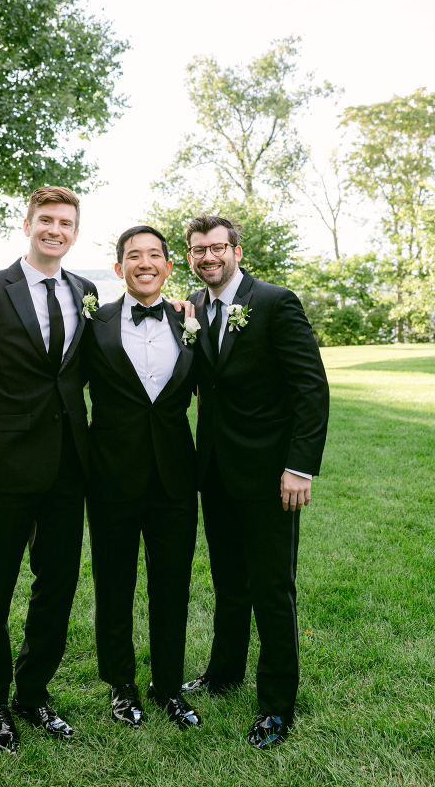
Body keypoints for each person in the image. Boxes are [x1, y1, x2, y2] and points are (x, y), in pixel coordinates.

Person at [0, 186, 97, 754]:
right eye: (46, 220)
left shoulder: (86, 291)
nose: (55, 230)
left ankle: (34, 694)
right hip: (3, 464)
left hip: (68, 466)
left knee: (57, 586)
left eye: (66, 223)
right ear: (27, 224)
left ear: (76, 233)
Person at [180, 215, 329, 749]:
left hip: (271, 475)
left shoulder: (275, 302)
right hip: (215, 471)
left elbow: (311, 389)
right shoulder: (193, 310)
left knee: (272, 587)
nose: (208, 257)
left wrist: (300, 465)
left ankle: (276, 705)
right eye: (198, 250)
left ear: (236, 251)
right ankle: (224, 673)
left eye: (217, 247)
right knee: (228, 583)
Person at [83, 226, 202, 730]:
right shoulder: (95, 325)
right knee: (114, 585)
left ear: (169, 267)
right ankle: (122, 685)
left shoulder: (190, 323)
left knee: (173, 585)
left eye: (155, 255)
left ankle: (169, 687)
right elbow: (56, 382)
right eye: (134, 256)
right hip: (110, 476)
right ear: (119, 269)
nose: (145, 263)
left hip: (175, 477)